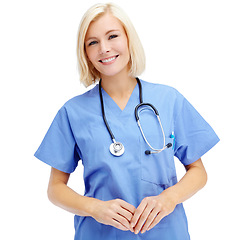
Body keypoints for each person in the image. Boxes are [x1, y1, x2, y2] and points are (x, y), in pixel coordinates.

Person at [34, 2, 219, 240]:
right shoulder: (73, 112)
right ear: (86, 53)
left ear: (129, 39)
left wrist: (169, 199)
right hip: (100, 234)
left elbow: (198, 171)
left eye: (112, 36)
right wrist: (94, 208)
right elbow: (55, 189)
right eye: (92, 42)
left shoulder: (168, 99)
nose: (104, 48)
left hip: (165, 232)